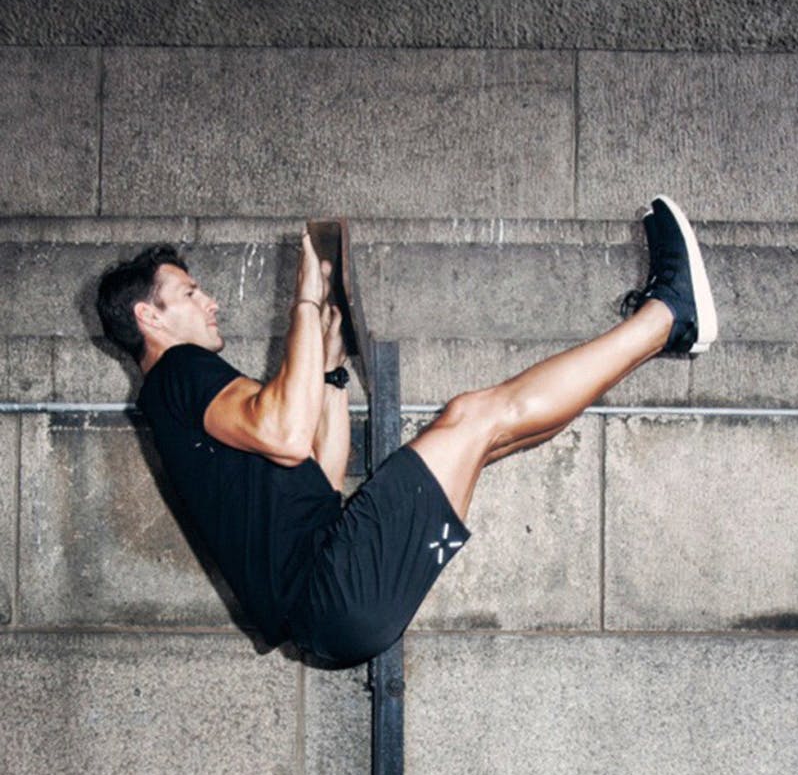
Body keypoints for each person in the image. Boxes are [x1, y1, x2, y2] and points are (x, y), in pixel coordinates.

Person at [96, 195, 717, 668]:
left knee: (492, 434)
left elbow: (318, 475)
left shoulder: (178, 403)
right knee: (475, 416)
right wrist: (306, 302)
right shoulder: (179, 372)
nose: (209, 303)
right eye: (190, 292)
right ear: (149, 316)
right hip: (329, 593)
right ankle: (666, 314)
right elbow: (285, 433)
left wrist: (332, 375)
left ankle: (670, 329)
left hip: (330, 616)